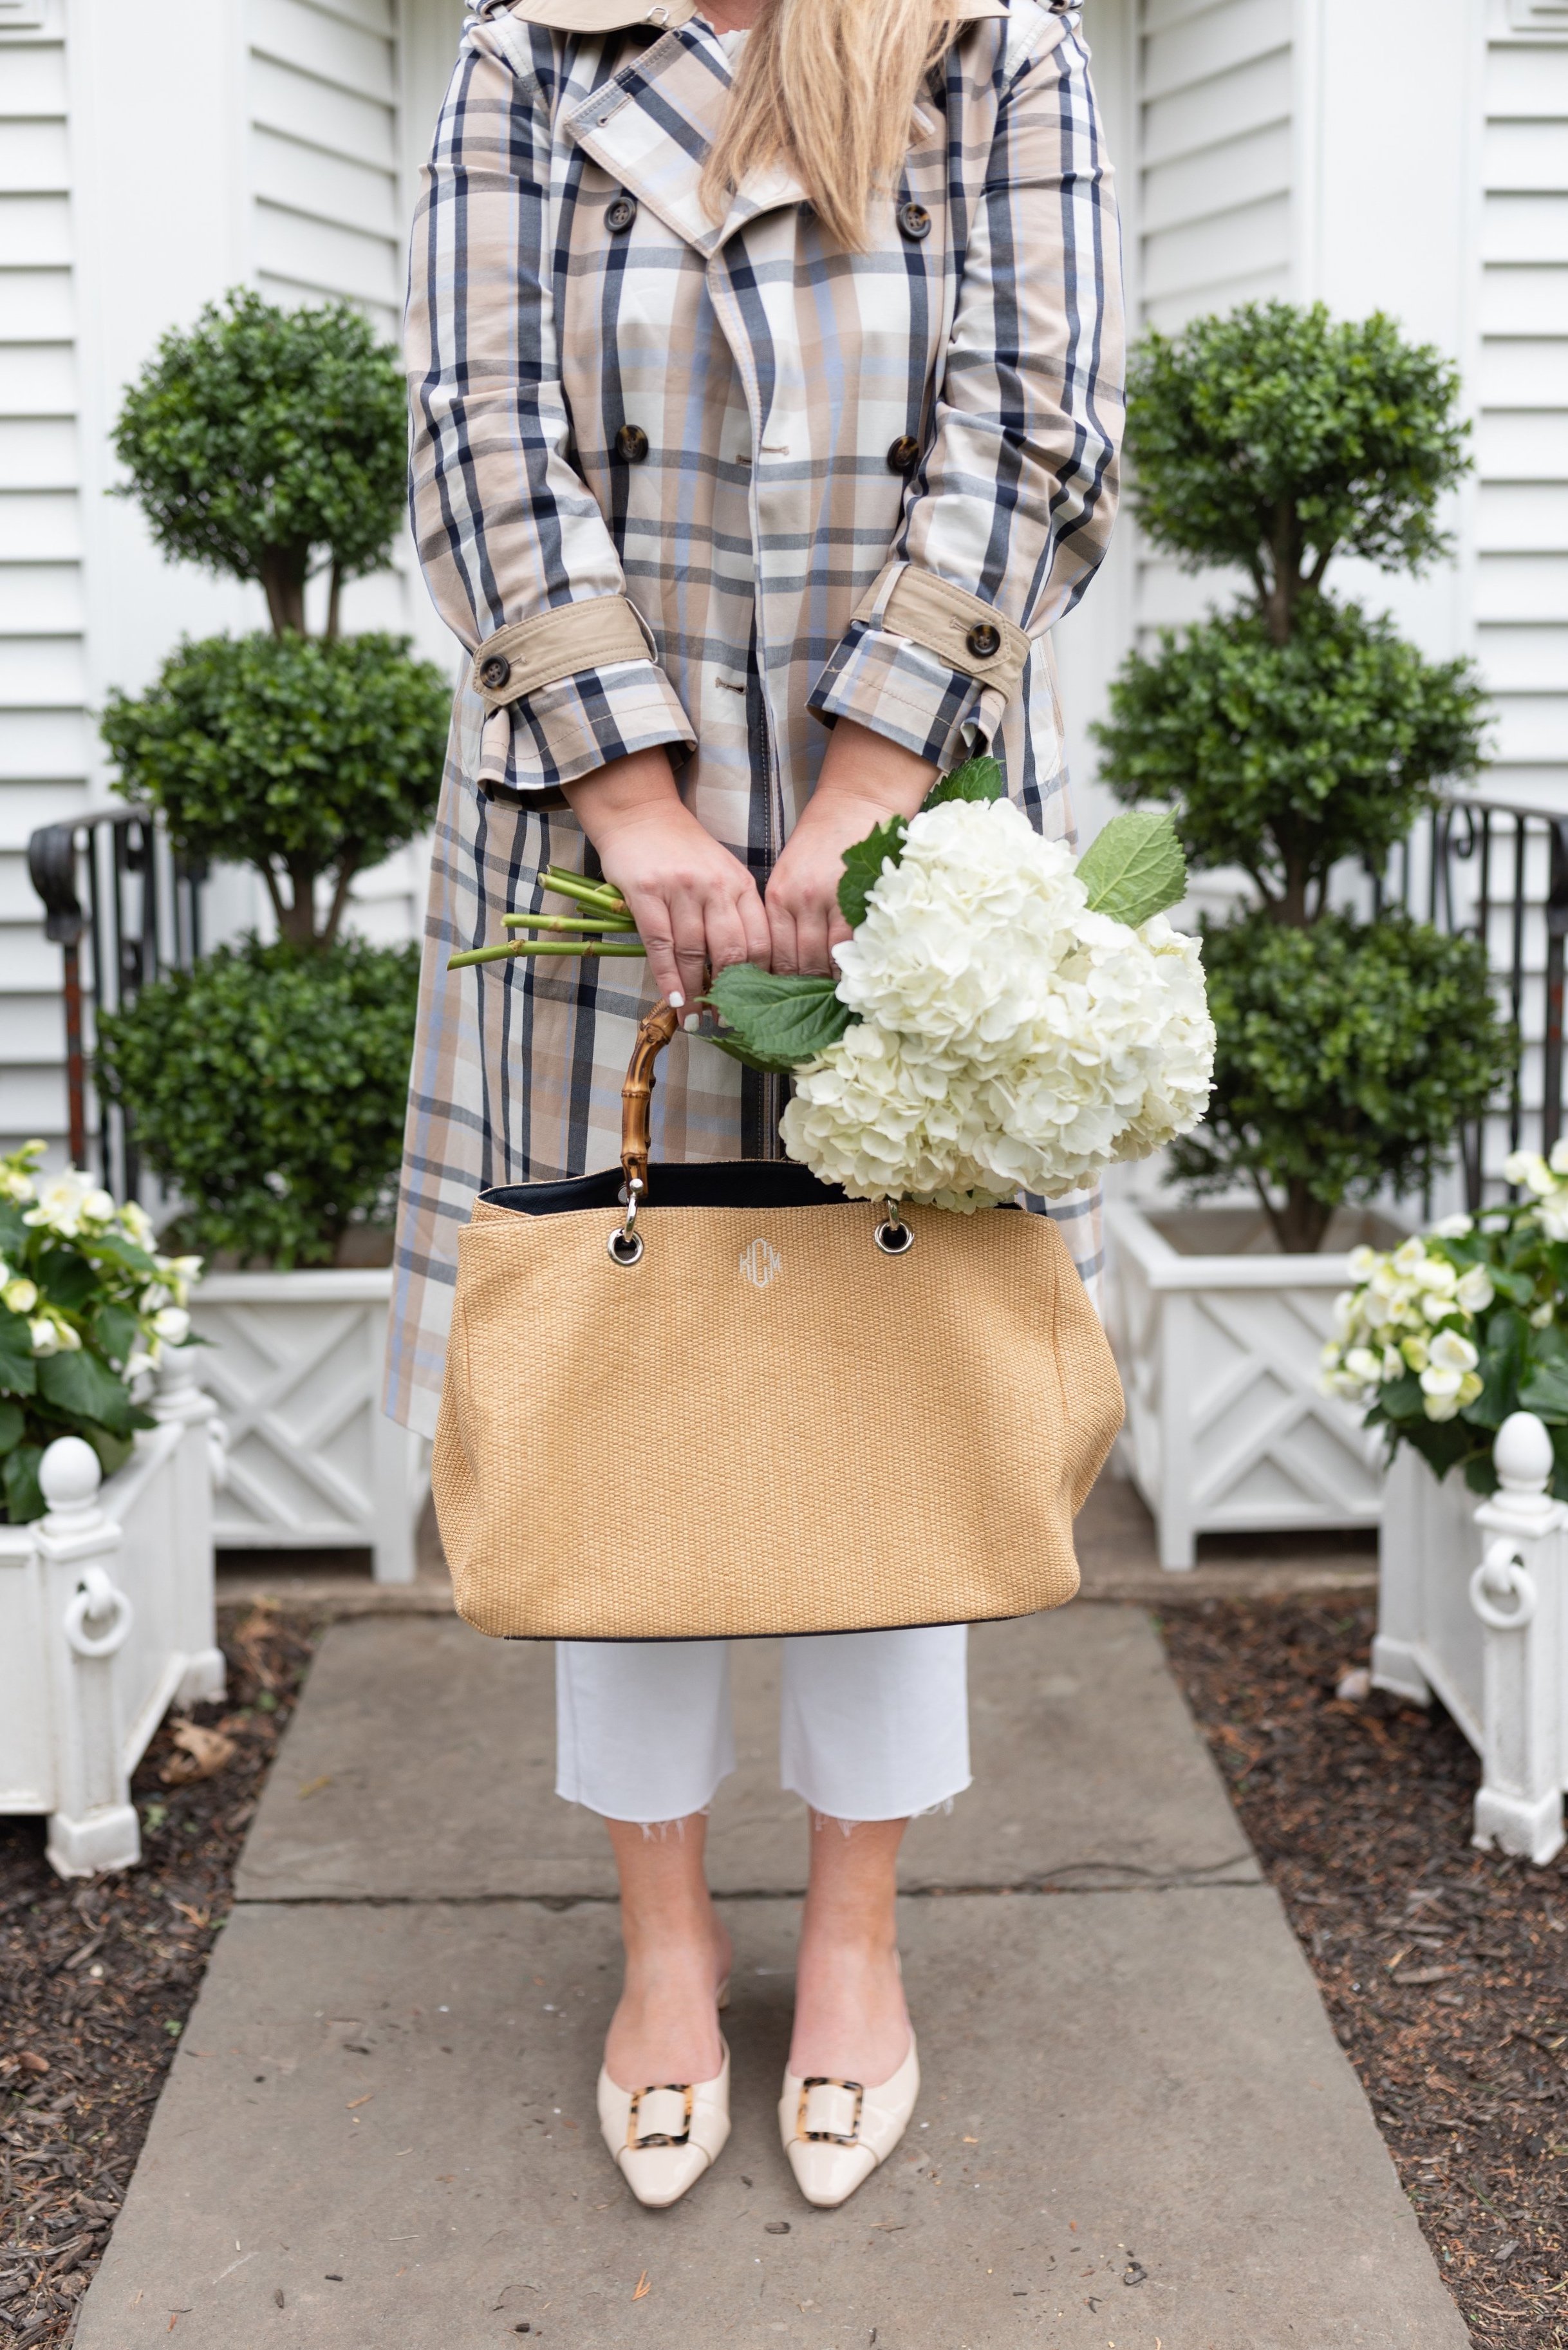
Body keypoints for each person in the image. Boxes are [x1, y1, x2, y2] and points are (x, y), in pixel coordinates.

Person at [389, 0, 1123, 2212]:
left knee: (878, 1386)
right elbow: (480, 433)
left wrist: (862, 802)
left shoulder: (995, 45)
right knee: (624, 1389)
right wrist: (638, 803)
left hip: (920, 852)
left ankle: (859, 1950)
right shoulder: (526, 54)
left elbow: (1035, 433)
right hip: (572, 849)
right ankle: (663, 1943)